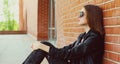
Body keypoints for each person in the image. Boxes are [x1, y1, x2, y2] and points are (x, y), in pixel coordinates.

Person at [23, 4, 105, 64]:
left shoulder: (94, 38)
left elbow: (71, 54)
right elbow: (65, 50)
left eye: (81, 14)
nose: (78, 17)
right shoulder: (82, 36)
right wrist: (43, 47)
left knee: (44, 45)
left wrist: (43, 47)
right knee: (44, 45)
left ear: (91, 16)